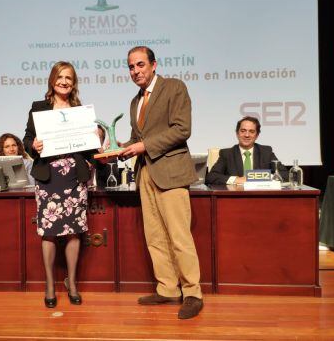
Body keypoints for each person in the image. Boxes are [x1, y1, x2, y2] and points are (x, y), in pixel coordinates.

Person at [118, 46, 203, 320]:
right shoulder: (135, 101)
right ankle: (167, 288)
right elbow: (137, 137)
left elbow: (182, 129)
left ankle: (192, 292)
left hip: (171, 173)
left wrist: (142, 146)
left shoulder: (174, 87)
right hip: (145, 174)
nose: (135, 71)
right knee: (154, 236)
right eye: (131, 67)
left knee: (179, 236)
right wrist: (121, 148)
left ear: (154, 65)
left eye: (140, 65)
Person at [23, 61, 94, 308]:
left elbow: (90, 149)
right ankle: (50, 285)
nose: (64, 81)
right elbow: (27, 139)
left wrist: (94, 137)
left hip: (74, 178)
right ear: (53, 79)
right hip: (48, 178)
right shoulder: (39, 107)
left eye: (69, 78)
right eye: (60, 77)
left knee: (75, 231)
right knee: (49, 233)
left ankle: (72, 283)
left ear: (74, 83)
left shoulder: (79, 109)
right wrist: (33, 146)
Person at [206, 116, 288, 185]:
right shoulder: (227, 154)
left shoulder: (266, 152)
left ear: (257, 135)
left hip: (261, 196)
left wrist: (260, 177)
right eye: (243, 131)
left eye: (251, 131)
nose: (247, 135)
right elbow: (211, 176)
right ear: (237, 133)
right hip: (235, 197)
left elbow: (284, 174)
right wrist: (236, 179)